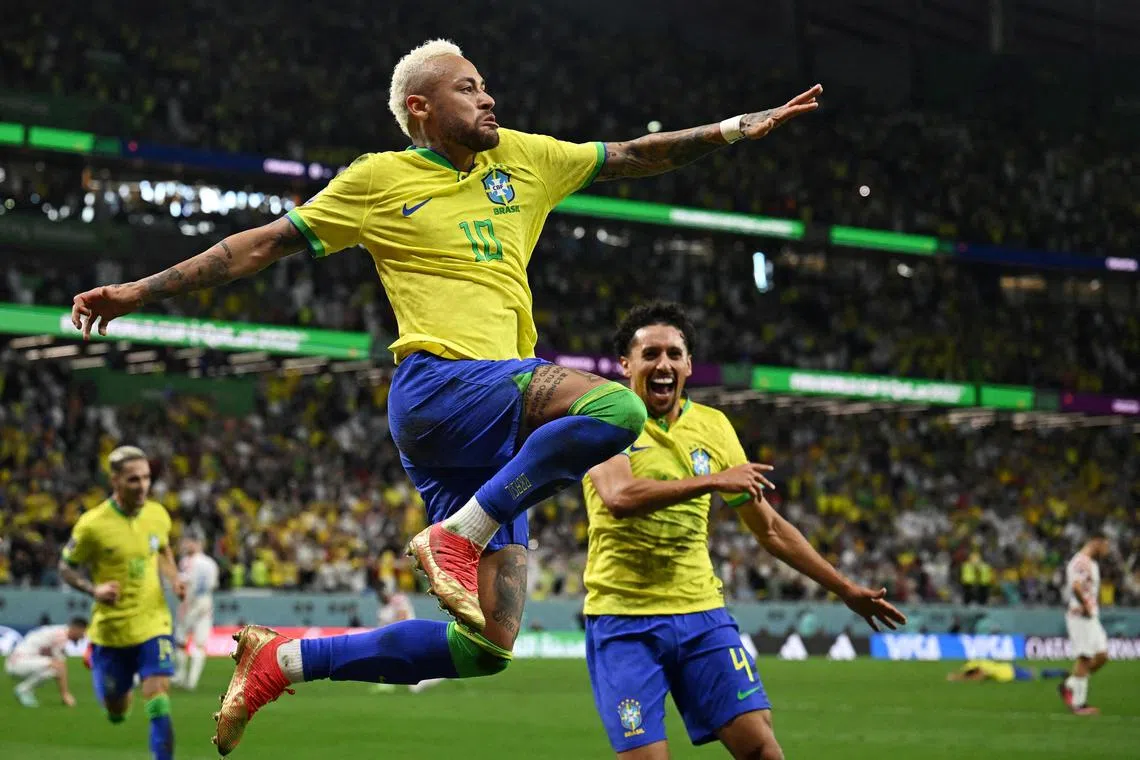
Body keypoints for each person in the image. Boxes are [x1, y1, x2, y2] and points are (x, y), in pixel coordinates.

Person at [69, 38, 823, 755]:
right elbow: (260, 244)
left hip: (496, 430)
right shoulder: (377, 178)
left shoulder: (525, 158)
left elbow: (629, 155)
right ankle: (457, 536)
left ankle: (282, 662)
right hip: (439, 389)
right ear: (421, 107)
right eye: (469, 88)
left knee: (485, 646)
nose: (489, 98)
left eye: (486, 85)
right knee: (618, 411)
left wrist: (732, 129)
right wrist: (140, 290)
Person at [581, 303, 905, 759]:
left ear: (689, 365)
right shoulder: (601, 418)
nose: (663, 365)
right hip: (623, 621)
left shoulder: (714, 427)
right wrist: (713, 480)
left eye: (674, 354)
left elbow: (769, 529)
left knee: (761, 749)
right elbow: (619, 498)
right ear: (626, 365)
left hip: (701, 614)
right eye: (650, 353)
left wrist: (845, 588)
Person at [58, 446, 185, 760]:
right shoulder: (92, 525)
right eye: (133, 480)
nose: (143, 485)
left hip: (154, 622)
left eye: (146, 478)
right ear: (115, 481)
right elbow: (65, 566)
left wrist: (174, 577)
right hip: (112, 630)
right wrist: (93, 589)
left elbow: (163, 550)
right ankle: (99, 663)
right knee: (117, 708)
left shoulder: (158, 514)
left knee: (157, 699)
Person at [1058, 534, 1112, 716]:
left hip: (1091, 616)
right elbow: (1076, 586)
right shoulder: (1081, 562)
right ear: (1096, 542)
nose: (1107, 550)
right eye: (1106, 545)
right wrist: (1085, 605)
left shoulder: (1090, 563)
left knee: (1102, 655)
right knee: (1085, 658)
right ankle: (1079, 704)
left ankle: (1071, 684)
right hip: (1080, 615)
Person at [370, 585, 445, 695]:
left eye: (383, 593)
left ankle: (440, 674)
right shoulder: (384, 609)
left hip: (408, 634)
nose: (381, 596)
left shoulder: (399, 599)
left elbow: (402, 617)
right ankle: (386, 684)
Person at [172, 531, 220, 691]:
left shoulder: (187, 561)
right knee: (199, 644)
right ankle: (191, 681)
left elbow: (185, 582)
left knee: (180, 639)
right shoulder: (211, 563)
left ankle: (181, 676)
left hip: (190, 602)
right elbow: (213, 584)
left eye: (189, 542)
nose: (186, 545)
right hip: (206, 603)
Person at [5, 617, 87, 708]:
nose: (82, 637)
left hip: (17, 662)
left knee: (52, 670)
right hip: (19, 663)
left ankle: (24, 690)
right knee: (57, 666)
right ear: (76, 629)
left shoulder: (57, 632)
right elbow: (60, 666)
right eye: (82, 632)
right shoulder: (60, 636)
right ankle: (23, 690)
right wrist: (65, 694)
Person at [946, 660, 1067, 684]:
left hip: (1009, 674)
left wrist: (959, 679)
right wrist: (957, 676)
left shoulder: (981, 669)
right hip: (1008, 668)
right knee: (1036, 673)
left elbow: (980, 677)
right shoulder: (980, 663)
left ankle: (1060, 672)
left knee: (1038, 675)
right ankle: (1060, 672)